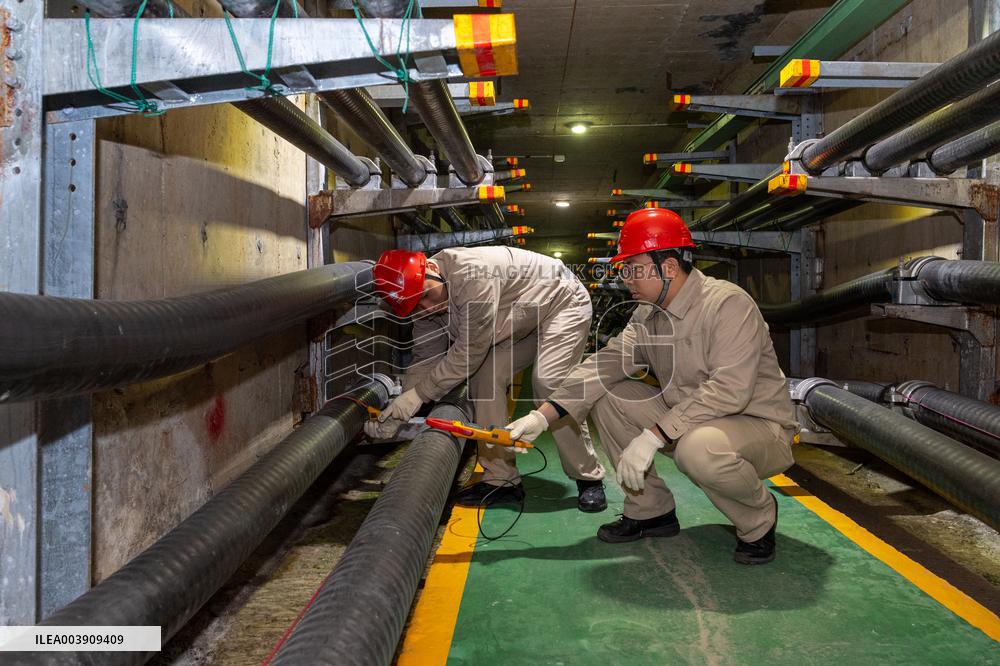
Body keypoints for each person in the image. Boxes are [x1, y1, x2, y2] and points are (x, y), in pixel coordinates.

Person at [504, 208, 798, 564]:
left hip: (758, 426)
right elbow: (605, 365)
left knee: (697, 449)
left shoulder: (727, 305)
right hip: (690, 421)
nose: (626, 277)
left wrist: (654, 435)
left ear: (669, 267)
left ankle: (758, 520)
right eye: (624, 269)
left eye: (634, 268)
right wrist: (541, 416)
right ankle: (651, 511)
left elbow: (729, 390)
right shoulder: (648, 315)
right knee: (610, 395)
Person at [364, 246, 607, 512]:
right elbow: (425, 356)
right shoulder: (422, 302)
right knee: (484, 378)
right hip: (518, 319)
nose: (428, 308)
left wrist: (418, 396)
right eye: (416, 307)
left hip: (561, 304)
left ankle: (588, 476)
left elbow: (469, 352)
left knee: (549, 383)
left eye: (427, 296)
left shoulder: (471, 274)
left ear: (432, 270)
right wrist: (401, 409)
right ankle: (501, 480)